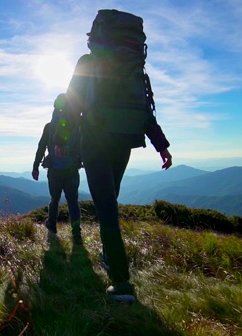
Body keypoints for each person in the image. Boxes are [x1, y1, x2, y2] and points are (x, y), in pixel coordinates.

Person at [54, 53, 172, 302]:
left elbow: (72, 103)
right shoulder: (133, 70)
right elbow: (144, 111)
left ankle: (121, 283)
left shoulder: (88, 62)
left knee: (106, 207)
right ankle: (110, 256)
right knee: (110, 200)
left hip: (95, 140)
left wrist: (61, 139)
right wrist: (161, 146)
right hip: (124, 141)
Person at [32, 94, 83, 243]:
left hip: (54, 170)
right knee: (73, 201)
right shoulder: (77, 126)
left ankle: (52, 226)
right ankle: (76, 234)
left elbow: (41, 147)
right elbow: (83, 147)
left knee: (54, 199)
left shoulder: (49, 127)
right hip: (72, 170)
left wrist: (35, 167)